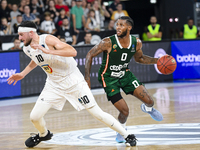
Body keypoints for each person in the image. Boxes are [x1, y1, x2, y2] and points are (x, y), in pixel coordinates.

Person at [7, 20, 137, 148]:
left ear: (30, 33)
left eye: (21, 35)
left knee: (97, 113)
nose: (19, 38)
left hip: (73, 80)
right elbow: (36, 59)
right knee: (34, 117)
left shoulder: (48, 40)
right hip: (54, 84)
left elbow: (73, 52)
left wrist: (49, 51)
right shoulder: (26, 48)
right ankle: (44, 134)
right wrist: (23, 74)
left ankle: (127, 135)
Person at [85, 16, 163, 143]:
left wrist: (158, 61)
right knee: (125, 111)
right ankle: (121, 131)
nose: (118, 27)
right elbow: (89, 54)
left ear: (129, 27)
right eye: (117, 25)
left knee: (150, 101)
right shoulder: (108, 42)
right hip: (109, 78)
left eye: (121, 25)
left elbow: (140, 59)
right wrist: (87, 77)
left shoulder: (136, 42)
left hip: (125, 75)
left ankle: (148, 109)